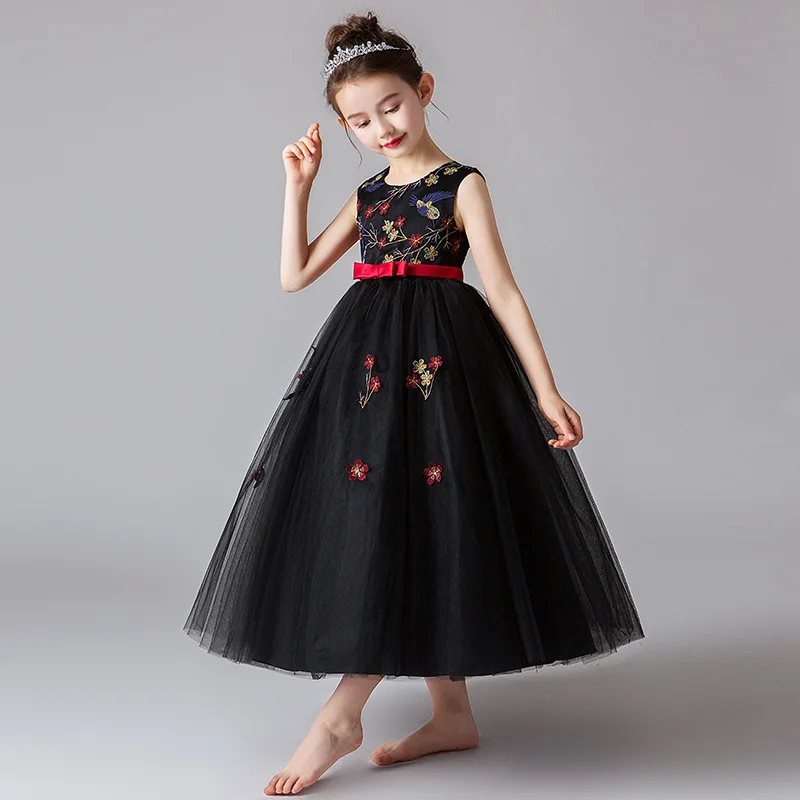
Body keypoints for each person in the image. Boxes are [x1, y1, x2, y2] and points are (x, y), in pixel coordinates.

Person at [183, 10, 645, 796]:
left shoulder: (462, 185)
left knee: (437, 516)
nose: (381, 128)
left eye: (391, 105)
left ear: (424, 89)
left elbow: (502, 289)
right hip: (367, 373)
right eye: (361, 121)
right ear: (345, 127)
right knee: (391, 518)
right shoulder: (367, 194)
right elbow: (295, 275)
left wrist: (546, 389)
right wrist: (297, 188)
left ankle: (343, 717)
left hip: (444, 368)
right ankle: (452, 715)